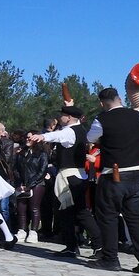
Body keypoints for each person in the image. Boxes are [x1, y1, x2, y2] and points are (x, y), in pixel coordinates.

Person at [86, 87, 139, 274]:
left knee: (108, 216)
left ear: (102, 103)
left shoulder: (102, 119)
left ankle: (110, 259)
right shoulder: (138, 116)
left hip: (115, 174)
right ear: (119, 99)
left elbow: (91, 137)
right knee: (136, 217)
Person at [31, 106, 101, 257]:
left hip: (70, 177)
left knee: (75, 213)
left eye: (62, 115)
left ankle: (93, 246)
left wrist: (42, 136)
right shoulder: (80, 130)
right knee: (73, 212)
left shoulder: (69, 131)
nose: (59, 118)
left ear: (68, 117)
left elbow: (57, 135)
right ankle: (76, 246)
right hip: (77, 175)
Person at [12, 129, 50, 242]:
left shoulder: (42, 154)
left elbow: (42, 171)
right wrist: (20, 183)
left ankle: (33, 232)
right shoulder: (21, 153)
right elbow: (16, 169)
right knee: (21, 208)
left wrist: (30, 184)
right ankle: (22, 230)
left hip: (37, 184)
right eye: (27, 137)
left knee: (34, 208)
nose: (28, 139)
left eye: (30, 137)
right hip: (22, 184)